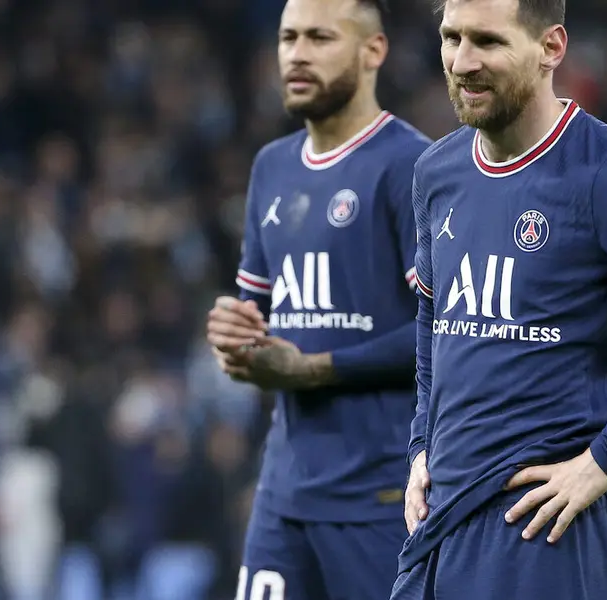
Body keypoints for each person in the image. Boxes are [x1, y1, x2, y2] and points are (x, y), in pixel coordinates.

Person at [395, 1, 607, 598]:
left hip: (547, 532)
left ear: (551, 48)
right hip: (440, 530)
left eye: (487, 41)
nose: (462, 61)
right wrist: (423, 444)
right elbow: (435, 317)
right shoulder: (437, 171)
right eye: (450, 38)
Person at [204, 0, 431, 598]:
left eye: (319, 37)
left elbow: (444, 329)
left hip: (382, 494)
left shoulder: (412, 165)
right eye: (287, 38)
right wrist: (235, 341)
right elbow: (260, 324)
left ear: (372, 50)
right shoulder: (271, 167)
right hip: (284, 489)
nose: (297, 54)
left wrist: (314, 370)